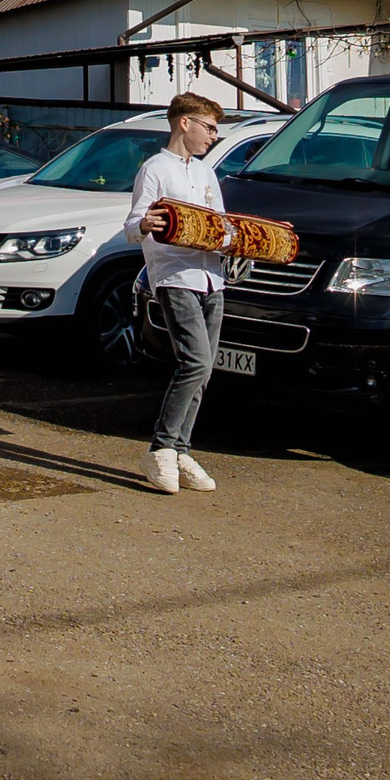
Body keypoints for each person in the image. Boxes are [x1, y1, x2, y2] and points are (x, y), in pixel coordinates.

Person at [124, 91, 231, 495]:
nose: (213, 136)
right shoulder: (154, 169)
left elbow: (221, 223)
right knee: (195, 362)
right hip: (174, 277)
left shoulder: (205, 173)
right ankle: (162, 447)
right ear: (184, 122)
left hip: (212, 279)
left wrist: (239, 240)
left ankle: (182, 449)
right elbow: (134, 224)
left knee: (204, 370)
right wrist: (145, 224)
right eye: (209, 127)